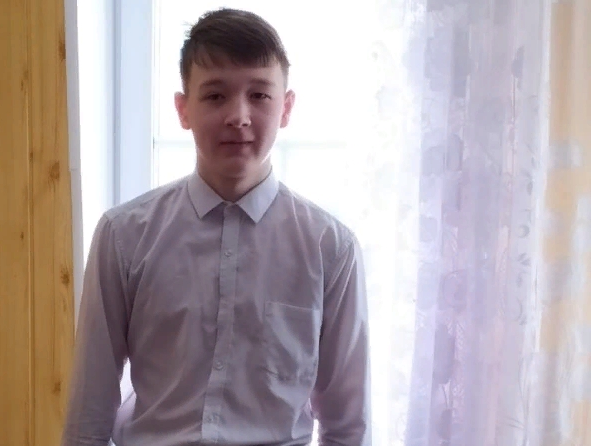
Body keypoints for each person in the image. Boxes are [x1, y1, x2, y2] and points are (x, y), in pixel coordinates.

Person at [62, 7, 371, 446]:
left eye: (259, 95)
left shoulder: (330, 249)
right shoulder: (123, 236)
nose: (238, 116)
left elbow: (348, 426)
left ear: (286, 108)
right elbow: (88, 411)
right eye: (215, 96)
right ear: (183, 109)